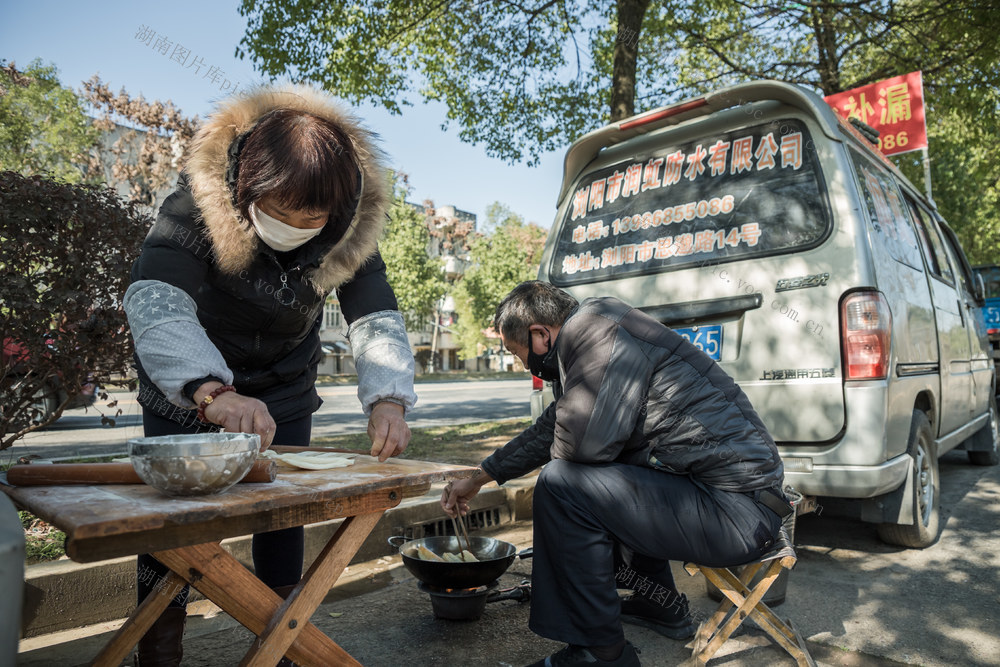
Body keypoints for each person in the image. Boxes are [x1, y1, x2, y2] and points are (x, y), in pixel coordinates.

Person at [124, 84, 417, 667]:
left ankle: (278, 648)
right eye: (277, 212)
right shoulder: (193, 205)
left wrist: (388, 398)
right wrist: (209, 389)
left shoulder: (352, 226)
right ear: (244, 188)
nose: (292, 227)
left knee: (283, 513)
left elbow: (376, 313)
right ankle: (158, 653)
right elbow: (157, 300)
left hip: (285, 386)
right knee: (174, 528)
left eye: (309, 217)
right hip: (188, 385)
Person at [442, 281, 790, 667]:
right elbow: (553, 426)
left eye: (516, 351)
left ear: (540, 335)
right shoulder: (599, 326)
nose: (523, 365)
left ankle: (600, 652)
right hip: (742, 504)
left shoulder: (594, 335)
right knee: (612, 473)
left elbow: (580, 448)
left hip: (736, 515)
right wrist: (479, 477)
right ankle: (660, 605)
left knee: (562, 485)